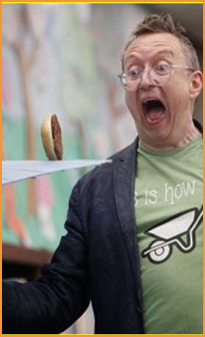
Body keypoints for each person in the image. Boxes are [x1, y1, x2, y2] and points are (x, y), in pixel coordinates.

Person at [2, 13, 203, 334]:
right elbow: (56, 298)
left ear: (195, 83)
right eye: (134, 71)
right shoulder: (96, 190)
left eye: (162, 67)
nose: (146, 80)